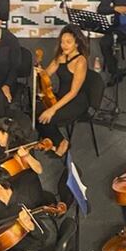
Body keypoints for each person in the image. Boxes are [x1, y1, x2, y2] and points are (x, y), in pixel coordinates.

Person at [36, 25, 89, 156]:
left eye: (68, 42)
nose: (64, 45)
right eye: (62, 41)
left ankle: (61, 143)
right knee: (35, 110)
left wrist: (52, 109)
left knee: (45, 118)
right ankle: (51, 140)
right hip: (60, 96)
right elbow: (47, 74)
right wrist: (40, 71)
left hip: (75, 101)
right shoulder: (60, 56)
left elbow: (73, 92)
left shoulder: (80, 61)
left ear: (77, 43)